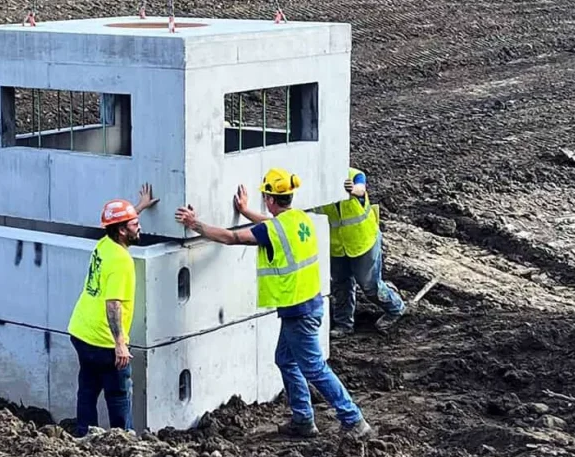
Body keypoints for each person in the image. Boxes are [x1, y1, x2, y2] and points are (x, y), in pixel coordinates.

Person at [175, 168, 373, 440]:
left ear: (269, 199)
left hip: (298, 311)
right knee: (285, 360)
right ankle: (303, 420)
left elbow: (233, 238)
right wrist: (245, 212)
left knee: (314, 368)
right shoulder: (299, 219)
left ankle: (353, 420)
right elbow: (269, 226)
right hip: (308, 305)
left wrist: (195, 224)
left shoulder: (274, 229)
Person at [67, 183, 158, 437]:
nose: (139, 226)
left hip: (81, 331)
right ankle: (123, 443)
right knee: (118, 395)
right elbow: (113, 304)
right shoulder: (122, 261)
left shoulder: (104, 244)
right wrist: (120, 344)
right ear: (121, 231)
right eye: (133, 224)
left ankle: (84, 436)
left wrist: (138, 207)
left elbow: (116, 224)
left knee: (87, 390)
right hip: (104, 341)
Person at [312, 167, 406, 337]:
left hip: (363, 241)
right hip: (337, 246)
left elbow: (360, 188)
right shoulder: (314, 183)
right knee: (341, 285)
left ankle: (395, 308)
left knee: (369, 285)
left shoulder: (353, 175)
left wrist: (353, 190)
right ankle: (343, 324)